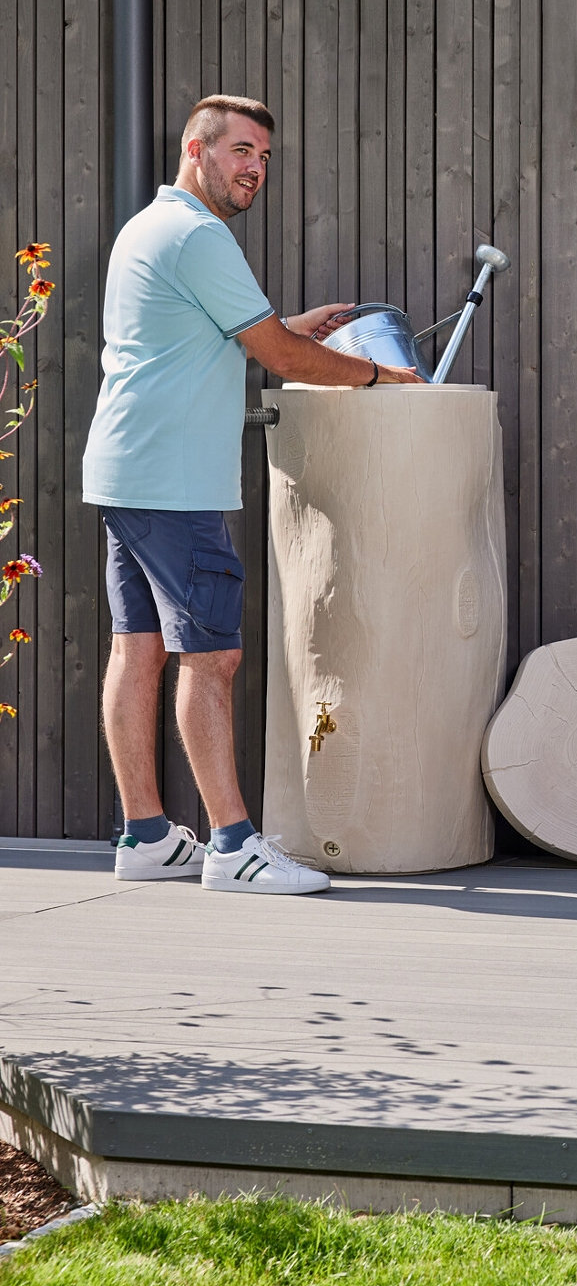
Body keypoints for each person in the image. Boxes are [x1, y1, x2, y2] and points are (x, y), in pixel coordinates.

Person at [84, 94, 421, 893]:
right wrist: (378, 373)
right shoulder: (201, 235)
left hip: (127, 470)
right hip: (172, 480)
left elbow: (205, 335)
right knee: (215, 654)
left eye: (264, 157)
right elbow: (279, 358)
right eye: (240, 151)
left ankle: (145, 836)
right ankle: (233, 845)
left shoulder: (148, 226)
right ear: (197, 150)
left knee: (138, 651)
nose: (254, 169)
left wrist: (288, 324)